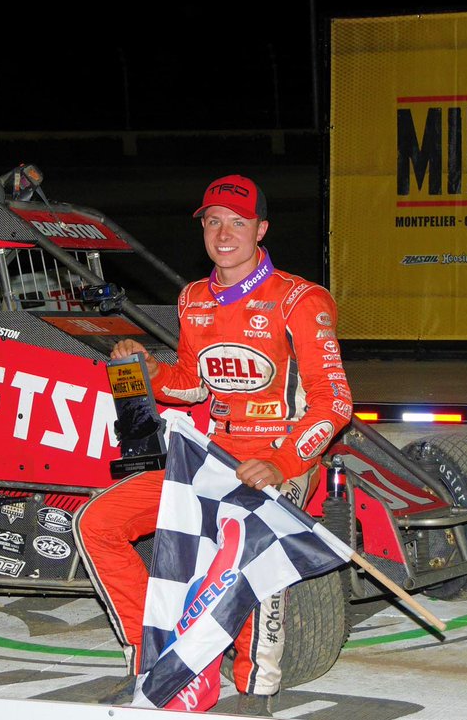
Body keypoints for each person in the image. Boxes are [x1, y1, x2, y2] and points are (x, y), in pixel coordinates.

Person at [74, 174, 352, 715]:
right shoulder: (193, 299)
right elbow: (194, 383)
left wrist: (280, 461)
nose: (224, 233)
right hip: (211, 457)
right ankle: (159, 659)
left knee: (253, 548)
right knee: (98, 524)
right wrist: (149, 371)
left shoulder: (300, 299)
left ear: (261, 229)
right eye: (213, 221)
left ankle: (257, 692)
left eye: (238, 222)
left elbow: (334, 403)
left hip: (282, 458)